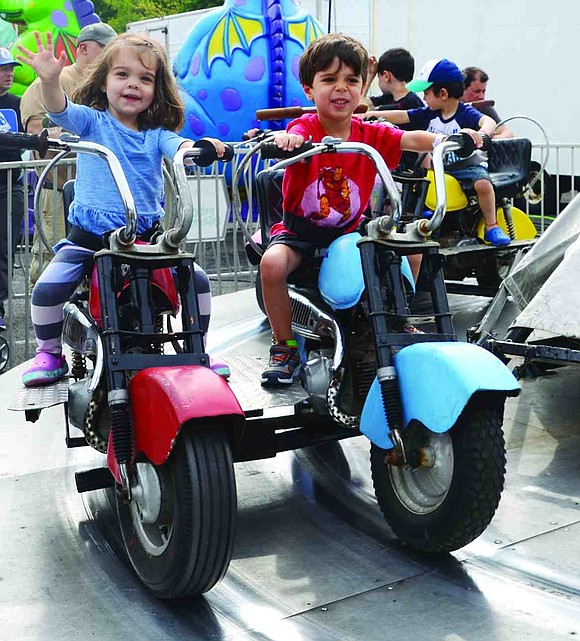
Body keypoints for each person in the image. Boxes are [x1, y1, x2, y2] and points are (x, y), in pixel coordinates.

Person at [258, 35, 482, 387]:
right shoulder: (305, 129)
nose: (341, 89)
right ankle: (284, 344)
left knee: (413, 245)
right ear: (308, 89)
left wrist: (446, 139)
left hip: (351, 229)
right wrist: (289, 142)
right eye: (329, 80)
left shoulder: (368, 132)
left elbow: (411, 138)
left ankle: (397, 316)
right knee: (271, 266)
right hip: (302, 232)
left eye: (350, 80)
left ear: (363, 86)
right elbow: (294, 134)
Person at [16, 31, 228, 386]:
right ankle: (49, 352)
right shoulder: (92, 122)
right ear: (103, 83)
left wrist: (200, 148)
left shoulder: (156, 133)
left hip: (146, 238)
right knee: (46, 289)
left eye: (145, 79)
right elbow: (60, 109)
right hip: (90, 238)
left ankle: (198, 346)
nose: (133, 85)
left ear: (157, 90)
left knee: (198, 282)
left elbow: (179, 145)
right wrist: (50, 81)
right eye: (123, 75)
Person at [367, 58, 511, 248]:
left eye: (426, 93)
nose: (424, 98)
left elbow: (488, 122)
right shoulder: (430, 112)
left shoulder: (464, 112)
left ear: (442, 93)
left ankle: (491, 226)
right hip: (438, 168)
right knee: (415, 182)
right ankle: (426, 216)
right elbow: (403, 116)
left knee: (483, 183)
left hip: (465, 166)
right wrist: (369, 116)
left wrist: (481, 134)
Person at [20, 22, 118, 286]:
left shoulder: (109, 87)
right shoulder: (54, 81)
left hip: (98, 196)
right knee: (52, 268)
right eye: (107, 50)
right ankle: (49, 324)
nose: (113, 58)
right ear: (83, 48)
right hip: (58, 190)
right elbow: (35, 133)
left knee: (100, 271)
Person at [0, 47, 25, 330]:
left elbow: (30, 136)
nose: (9, 74)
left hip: (10, 185)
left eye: (11, 69)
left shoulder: (19, 102)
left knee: (5, 247)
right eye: (3, 69)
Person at [362, 47, 424, 112]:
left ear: (386, 76)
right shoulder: (388, 98)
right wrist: (370, 73)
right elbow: (359, 104)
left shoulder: (413, 104)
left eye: (378, 76)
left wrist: (370, 75)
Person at [462, 66, 513, 139]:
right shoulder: (453, 107)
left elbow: (507, 133)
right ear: (463, 89)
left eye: (483, 91)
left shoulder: (483, 106)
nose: (481, 96)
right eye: (477, 91)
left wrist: (486, 139)